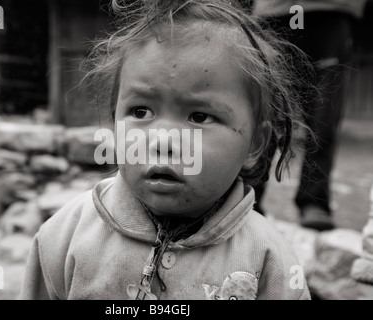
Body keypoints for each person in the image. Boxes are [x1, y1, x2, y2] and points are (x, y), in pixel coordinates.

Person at [19, 0, 312, 300]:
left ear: (256, 144)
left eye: (199, 116)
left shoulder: (269, 264)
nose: (163, 140)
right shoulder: (64, 237)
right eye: (141, 111)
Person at [252, 0, 368, 231]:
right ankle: (249, 194)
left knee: (324, 115)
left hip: (332, 10)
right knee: (267, 111)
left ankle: (313, 200)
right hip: (279, 10)